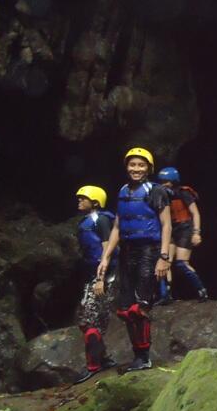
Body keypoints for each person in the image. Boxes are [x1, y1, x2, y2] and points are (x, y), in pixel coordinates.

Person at [97, 147, 172, 372]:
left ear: (149, 168)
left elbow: (167, 224)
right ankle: (138, 356)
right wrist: (105, 257)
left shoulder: (156, 191)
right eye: (132, 164)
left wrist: (164, 256)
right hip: (127, 252)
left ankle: (144, 357)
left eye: (141, 165)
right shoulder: (123, 191)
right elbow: (118, 226)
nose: (136, 169)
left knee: (139, 308)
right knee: (125, 309)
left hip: (149, 250)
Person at [74, 186, 118, 383]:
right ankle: (102, 358)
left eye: (84, 198)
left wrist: (101, 279)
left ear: (95, 201)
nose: (79, 201)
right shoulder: (87, 221)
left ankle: (94, 365)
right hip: (93, 274)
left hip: (104, 276)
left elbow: (106, 250)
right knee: (88, 319)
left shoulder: (101, 220)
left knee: (91, 321)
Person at [157, 167, 207, 301]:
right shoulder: (162, 195)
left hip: (185, 228)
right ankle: (165, 294)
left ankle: (201, 289)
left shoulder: (183, 193)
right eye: (162, 181)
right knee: (165, 261)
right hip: (171, 229)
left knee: (181, 263)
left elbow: (195, 213)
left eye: (167, 181)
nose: (164, 184)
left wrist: (196, 232)